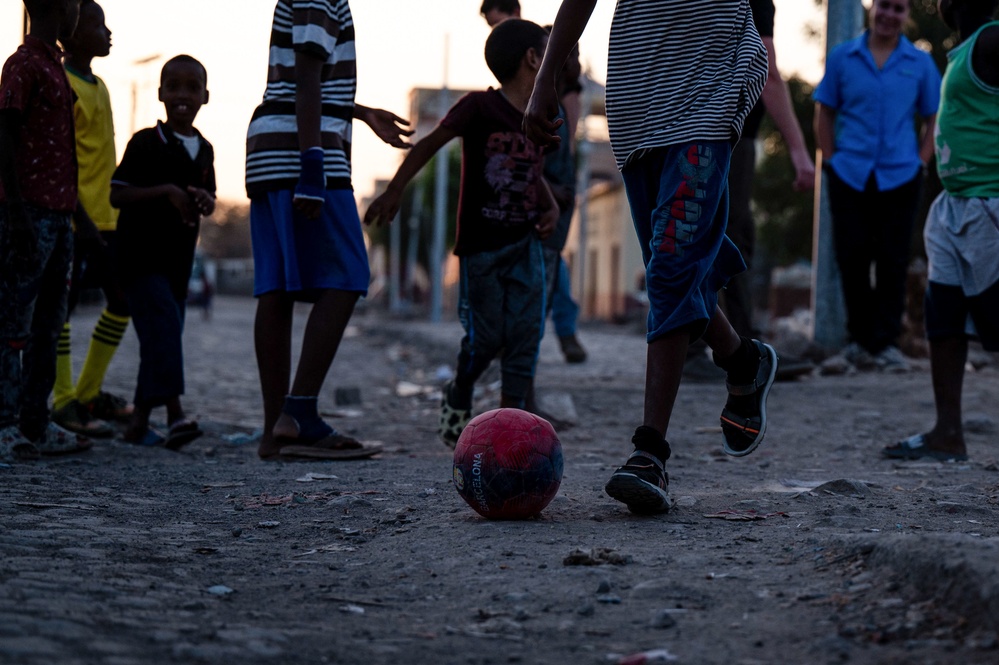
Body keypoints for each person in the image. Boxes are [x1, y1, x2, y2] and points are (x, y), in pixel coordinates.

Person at [525, 0, 778, 514]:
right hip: (639, 106)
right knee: (679, 269)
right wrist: (545, 79)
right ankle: (742, 359)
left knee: (670, 267)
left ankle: (649, 453)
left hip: (712, 89)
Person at [365, 18, 558, 447]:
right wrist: (395, 189)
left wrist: (551, 204)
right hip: (481, 249)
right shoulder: (478, 107)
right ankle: (461, 387)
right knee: (486, 339)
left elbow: (532, 169)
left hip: (526, 242)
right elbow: (430, 143)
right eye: (549, 50)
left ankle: (515, 430)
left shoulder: (542, 112)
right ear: (532, 58)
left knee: (525, 336)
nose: (555, 58)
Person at [246, 0, 411, 461]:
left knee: (275, 290)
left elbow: (308, 78)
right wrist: (313, 170)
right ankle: (298, 412)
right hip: (304, 151)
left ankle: (273, 432)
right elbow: (305, 80)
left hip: (270, 149)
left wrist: (358, 112)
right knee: (349, 275)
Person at [883, 0, 999, 462]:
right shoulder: (966, 50)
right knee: (944, 317)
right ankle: (947, 432)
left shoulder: (991, 40)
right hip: (952, 207)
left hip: (988, 204)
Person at [685, 0, 817, 381]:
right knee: (728, 235)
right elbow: (767, 74)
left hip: (682, 125)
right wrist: (798, 149)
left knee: (699, 233)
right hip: (721, 130)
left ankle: (734, 346)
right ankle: (714, 348)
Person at [814, 0, 941, 372]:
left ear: (906, 16)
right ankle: (859, 342)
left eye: (899, 9)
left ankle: (886, 344)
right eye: (884, 6)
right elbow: (824, 111)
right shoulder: (842, 57)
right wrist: (831, 160)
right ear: (872, 9)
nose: (889, 15)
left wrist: (921, 161)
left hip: (901, 175)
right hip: (849, 173)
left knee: (893, 259)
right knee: (852, 258)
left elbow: (933, 117)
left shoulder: (920, 63)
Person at [0, 0, 93, 462]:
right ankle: (4, 424)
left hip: (60, 217)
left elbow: (63, 153)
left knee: (49, 326)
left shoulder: (54, 67)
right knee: (11, 324)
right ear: (60, 6)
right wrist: (15, 213)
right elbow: (6, 136)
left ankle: (35, 422)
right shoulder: (23, 66)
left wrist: (83, 223)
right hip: (29, 216)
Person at [110, 55, 214, 450]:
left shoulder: (205, 150)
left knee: (160, 339)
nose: (182, 95)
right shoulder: (145, 143)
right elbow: (117, 193)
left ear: (206, 95)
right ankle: (175, 415)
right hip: (139, 259)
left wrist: (205, 200)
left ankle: (138, 422)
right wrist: (166, 192)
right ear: (160, 94)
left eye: (192, 87)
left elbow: (211, 200)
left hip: (178, 264)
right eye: (174, 87)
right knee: (165, 332)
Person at [479, 2, 588, 364]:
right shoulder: (533, 106)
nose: (577, 63)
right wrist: (551, 193)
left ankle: (525, 388)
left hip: (551, 222)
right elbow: (518, 159)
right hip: (538, 221)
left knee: (541, 296)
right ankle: (522, 393)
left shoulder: (560, 101)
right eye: (570, 54)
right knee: (531, 307)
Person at [53, 0, 133, 439]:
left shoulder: (99, 85)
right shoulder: (62, 83)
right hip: (73, 218)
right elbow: (63, 159)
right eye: (99, 24)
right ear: (74, 31)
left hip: (108, 218)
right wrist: (78, 215)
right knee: (60, 310)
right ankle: (63, 400)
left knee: (121, 301)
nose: (108, 32)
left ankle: (87, 392)